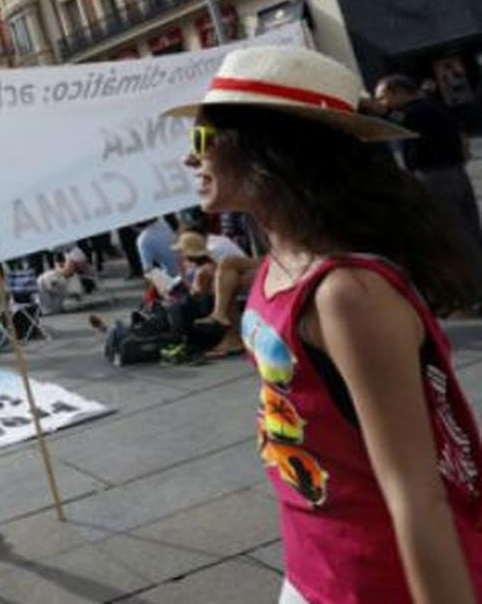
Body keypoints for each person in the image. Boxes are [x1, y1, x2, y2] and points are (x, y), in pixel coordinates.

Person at [169, 45, 482, 602]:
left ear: (266, 148)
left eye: (201, 140)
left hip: (378, 580)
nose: (190, 161)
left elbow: (417, 494)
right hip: (315, 562)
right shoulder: (274, 262)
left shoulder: (347, 294)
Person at [377, 74, 482, 290]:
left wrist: (379, 111)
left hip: (435, 176)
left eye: (383, 97)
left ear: (397, 91)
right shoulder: (433, 106)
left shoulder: (414, 112)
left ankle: (472, 285)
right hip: (454, 172)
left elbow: (393, 119)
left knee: (452, 231)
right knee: (467, 228)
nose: (382, 103)